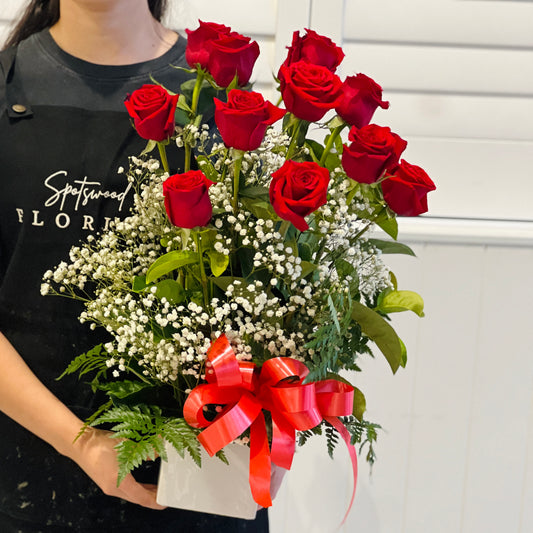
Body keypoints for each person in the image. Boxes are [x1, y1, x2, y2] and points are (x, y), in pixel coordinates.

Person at [0, 1, 269, 531]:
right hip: (29, 484)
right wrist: (85, 445)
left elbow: (269, 296)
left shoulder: (221, 95)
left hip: (201, 482)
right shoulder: (9, 84)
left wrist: (271, 437)